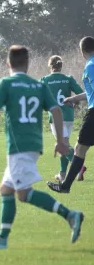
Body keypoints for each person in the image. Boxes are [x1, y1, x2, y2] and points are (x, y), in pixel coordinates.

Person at [0, 45, 83, 250]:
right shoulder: (38, 85)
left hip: (18, 145)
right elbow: (56, 111)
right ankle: (2, 238)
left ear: (8, 63)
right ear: (27, 64)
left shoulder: (5, 83)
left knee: (24, 193)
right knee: (6, 189)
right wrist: (62, 142)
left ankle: (70, 214)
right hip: (34, 144)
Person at [48, 36, 94, 194]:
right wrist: (74, 98)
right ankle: (65, 184)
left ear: (82, 51)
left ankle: (65, 186)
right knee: (79, 148)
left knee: (79, 149)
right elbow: (90, 93)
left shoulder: (91, 66)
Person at [40, 55, 86, 182]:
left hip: (56, 117)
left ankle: (79, 167)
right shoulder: (68, 79)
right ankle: (62, 174)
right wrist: (74, 102)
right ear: (61, 66)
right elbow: (81, 93)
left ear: (50, 66)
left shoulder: (44, 80)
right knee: (65, 144)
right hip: (69, 116)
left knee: (63, 144)